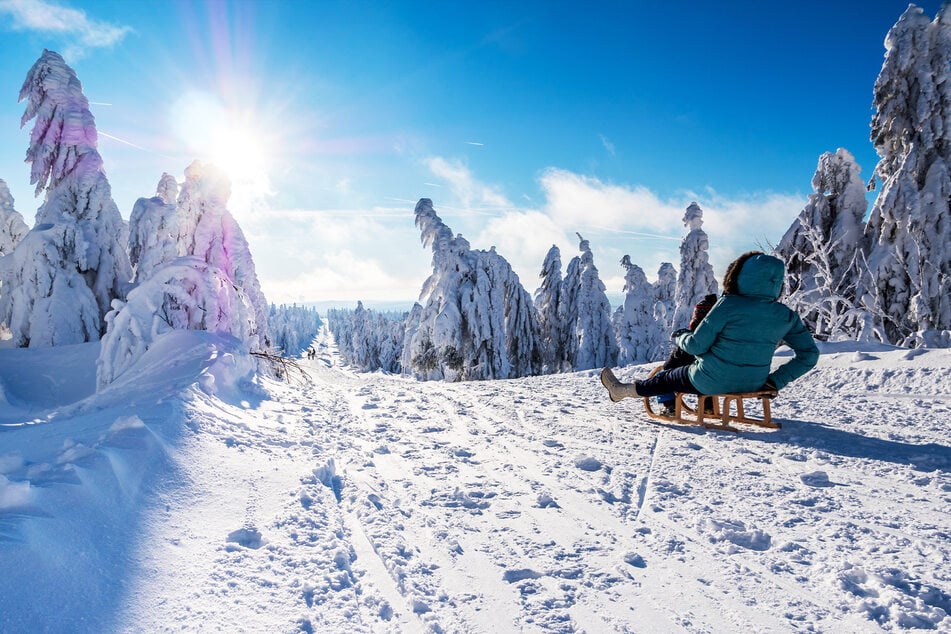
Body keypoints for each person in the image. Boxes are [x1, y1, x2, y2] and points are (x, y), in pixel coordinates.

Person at [600, 251, 818, 404]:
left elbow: (696, 346)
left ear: (739, 276)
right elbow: (809, 354)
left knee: (665, 378)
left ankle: (621, 392)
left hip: (709, 381)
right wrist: (775, 381)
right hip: (755, 383)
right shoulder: (785, 315)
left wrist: (680, 336)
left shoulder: (728, 305)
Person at [655, 293, 718, 415]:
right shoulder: (721, 338)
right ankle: (707, 406)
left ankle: (670, 406)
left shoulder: (694, 340)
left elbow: (671, 364)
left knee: (663, 374)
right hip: (722, 378)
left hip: (699, 380)